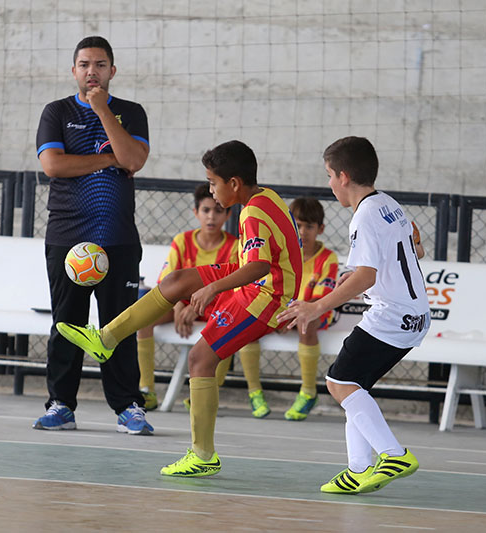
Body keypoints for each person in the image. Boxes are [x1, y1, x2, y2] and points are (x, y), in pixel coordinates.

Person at [56, 140, 303, 477]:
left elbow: (260, 267)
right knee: (176, 280)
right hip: (251, 280)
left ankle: (203, 455)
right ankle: (106, 338)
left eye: (214, 183)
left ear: (233, 183)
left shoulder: (253, 212)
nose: (212, 192)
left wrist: (213, 287)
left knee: (200, 359)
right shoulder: (265, 196)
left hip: (267, 296)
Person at [277, 136, 430, 495]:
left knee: (339, 382)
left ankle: (393, 454)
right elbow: (416, 248)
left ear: (343, 177)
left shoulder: (363, 216)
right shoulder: (389, 204)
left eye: (330, 175)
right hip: (416, 313)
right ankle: (357, 469)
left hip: (392, 314)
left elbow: (367, 276)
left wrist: (316, 306)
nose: (329, 184)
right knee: (352, 385)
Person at [33, 36, 154, 435]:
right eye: (84, 64)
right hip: (68, 237)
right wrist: (108, 159)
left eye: (100, 65)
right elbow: (53, 165)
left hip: (117, 238)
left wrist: (102, 111)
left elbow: (134, 159)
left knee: (118, 324)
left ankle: (128, 408)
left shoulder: (131, 113)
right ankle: (61, 405)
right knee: (67, 323)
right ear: (74, 71)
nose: (92, 71)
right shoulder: (57, 112)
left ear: (112, 71)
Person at [137, 184, 239, 410]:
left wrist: (196, 308)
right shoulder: (182, 241)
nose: (211, 216)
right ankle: (147, 390)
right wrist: (176, 308)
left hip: (217, 308)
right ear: (196, 213)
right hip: (181, 306)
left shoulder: (235, 247)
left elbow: (231, 290)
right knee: (144, 319)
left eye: (218, 211)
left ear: (228, 214)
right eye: (205, 210)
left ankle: (205, 392)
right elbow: (167, 282)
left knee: (231, 325)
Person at [280, 197, 339, 421]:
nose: (302, 232)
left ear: (320, 229)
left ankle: (308, 391)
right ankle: (254, 392)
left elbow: (320, 300)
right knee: (247, 321)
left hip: (317, 314)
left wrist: (291, 314)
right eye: (297, 225)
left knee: (307, 322)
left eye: (309, 226)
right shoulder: (282, 254)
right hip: (285, 313)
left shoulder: (327, 258)